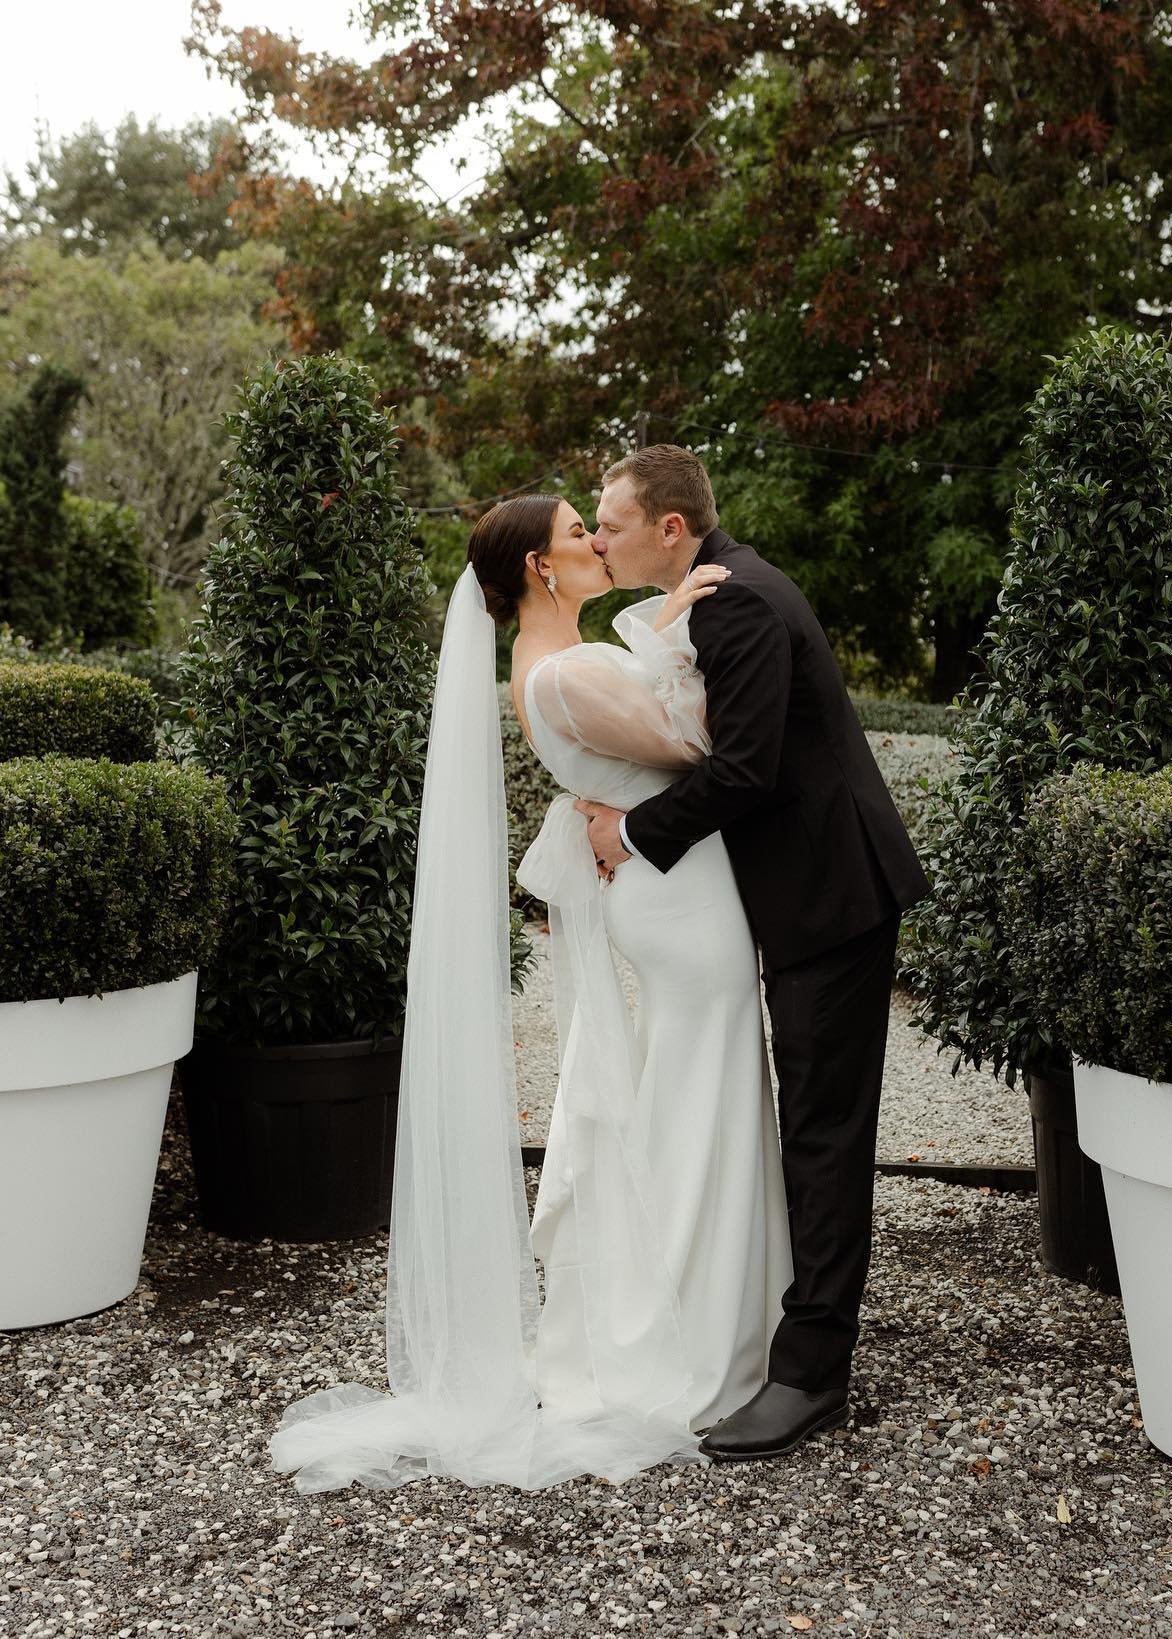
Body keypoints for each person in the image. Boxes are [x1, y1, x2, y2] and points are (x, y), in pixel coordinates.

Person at [267, 492, 792, 1493]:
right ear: (543, 571)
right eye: (576, 535)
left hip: (673, 892)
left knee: (701, 1099)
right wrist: (666, 621)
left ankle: (724, 1315)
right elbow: (700, 743)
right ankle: (691, 1336)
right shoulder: (569, 670)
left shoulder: (561, 663)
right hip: (681, 906)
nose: (596, 543)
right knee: (699, 1105)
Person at [578, 445, 930, 1462]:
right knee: (815, 1124)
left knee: (822, 1129)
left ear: (671, 528)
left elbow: (745, 770)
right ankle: (805, 1332)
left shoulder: (739, 604)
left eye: (613, 522)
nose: (601, 539)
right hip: (812, 895)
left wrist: (631, 836)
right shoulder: (714, 594)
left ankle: (813, 1375)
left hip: (833, 900)